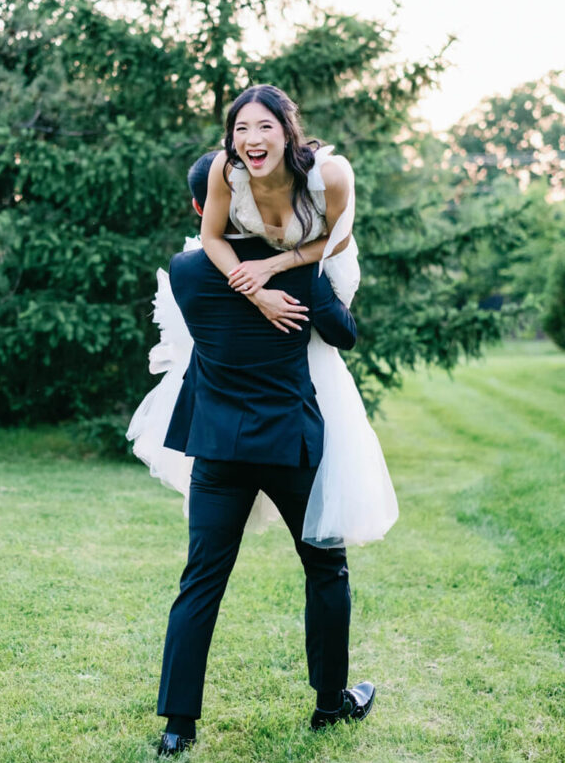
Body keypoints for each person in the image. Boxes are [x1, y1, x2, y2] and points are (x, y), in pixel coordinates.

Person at [128, 85, 398, 547]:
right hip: (254, 281)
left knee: (318, 351)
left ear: (289, 132)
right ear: (230, 137)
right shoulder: (224, 171)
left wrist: (274, 266)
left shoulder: (328, 177)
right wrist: (254, 292)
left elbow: (338, 242)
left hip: (315, 261)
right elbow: (212, 236)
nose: (252, 137)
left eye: (265, 126)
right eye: (241, 128)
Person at [155, 224, 376, 755]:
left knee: (200, 581)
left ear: (201, 208)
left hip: (217, 448)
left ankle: (177, 728)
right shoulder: (297, 266)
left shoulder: (186, 272)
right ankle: (330, 705)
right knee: (326, 568)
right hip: (288, 445)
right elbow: (342, 334)